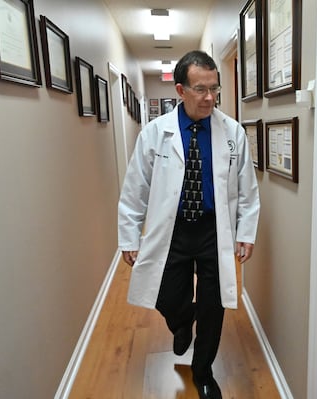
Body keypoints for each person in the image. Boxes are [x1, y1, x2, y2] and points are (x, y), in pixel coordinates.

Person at [117, 50, 260, 399]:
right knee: (167, 295)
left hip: (214, 230)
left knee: (213, 307)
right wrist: (129, 236)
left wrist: (245, 233)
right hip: (173, 230)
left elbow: (247, 190)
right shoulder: (155, 134)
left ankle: (204, 372)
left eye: (214, 88)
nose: (210, 97)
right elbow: (135, 188)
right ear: (180, 90)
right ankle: (181, 322)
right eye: (200, 89)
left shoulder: (232, 132)